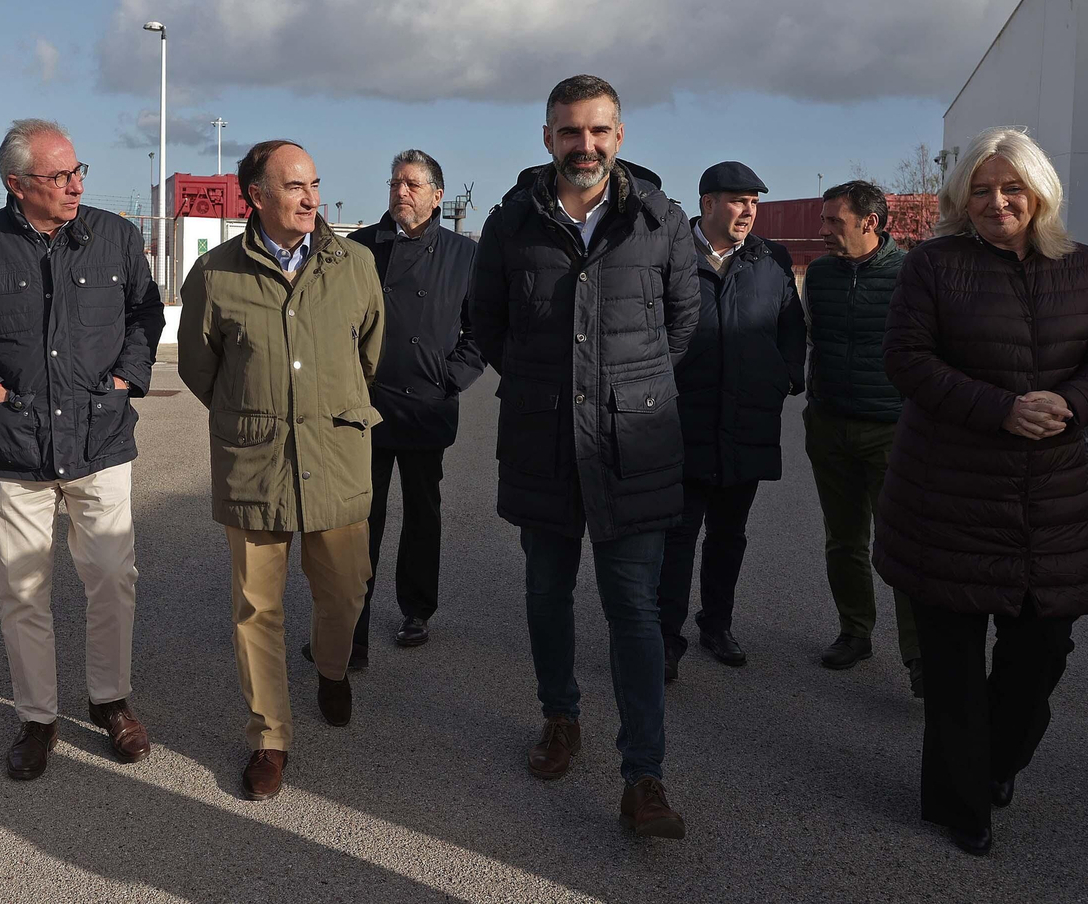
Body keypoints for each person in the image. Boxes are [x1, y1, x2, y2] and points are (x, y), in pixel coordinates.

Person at [875, 127, 1088, 856]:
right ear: (963, 198)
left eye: (1011, 187)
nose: (996, 202)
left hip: (1046, 502)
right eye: (981, 189)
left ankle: (996, 762)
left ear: (1039, 191)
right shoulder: (933, 265)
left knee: (1041, 652)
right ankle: (965, 805)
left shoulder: (1083, 268)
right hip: (947, 496)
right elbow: (906, 359)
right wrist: (1001, 409)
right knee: (953, 666)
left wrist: (1073, 403)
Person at [470, 75, 698, 840]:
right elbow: (489, 322)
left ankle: (645, 774)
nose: (586, 146)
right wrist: (546, 385)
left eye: (599, 131)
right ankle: (560, 717)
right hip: (542, 438)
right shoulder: (512, 221)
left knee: (634, 606)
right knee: (546, 588)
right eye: (571, 132)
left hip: (633, 443)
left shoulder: (659, 219)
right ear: (548, 138)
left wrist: (626, 390)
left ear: (620, 136)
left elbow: (682, 321)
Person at [0, 119, 164, 780]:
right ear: (16, 184)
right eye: (59, 176)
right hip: (16, 441)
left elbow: (146, 314)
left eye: (78, 171)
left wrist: (123, 380)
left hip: (101, 436)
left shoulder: (114, 236)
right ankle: (38, 717)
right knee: (22, 589)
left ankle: (111, 700)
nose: (75, 184)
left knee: (113, 576)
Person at [178, 140, 385, 801]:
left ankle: (331, 668)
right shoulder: (215, 274)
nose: (310, 198)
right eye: (294, 186)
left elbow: (369, 352)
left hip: (335, 460)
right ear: (256, 196)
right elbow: (199, 366)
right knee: (256, 608)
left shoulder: (356, 265)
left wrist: (328, 409)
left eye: (315, 184)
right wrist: (257, 413)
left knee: (347, 590)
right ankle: (269, 736)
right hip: (256, 465)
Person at [329, 148, 485, 662]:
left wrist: (450, 378)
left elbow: (482, 329)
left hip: (426, 406)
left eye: (413, 184)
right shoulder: (359, 248)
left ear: (437, 196)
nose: (401, 192)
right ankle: (353, 621)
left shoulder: (464, 254)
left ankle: (417, 610)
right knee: (361, 518)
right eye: (396, 182)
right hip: (365, 405)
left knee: (422, 513)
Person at [658, 161, 804, 680]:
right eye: (738, 201)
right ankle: (665, 639)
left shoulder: (772, 259)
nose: (748, 212)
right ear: (707, 203)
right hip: (684, 420)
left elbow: (792, 327)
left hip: (746, 422)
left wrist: (786, 375)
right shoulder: (673, 256)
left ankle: (716, 624)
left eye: (754, 203)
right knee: (677, 537)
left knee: (729, 535)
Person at [802, 180, 921, 692]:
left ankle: (921, 660)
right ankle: (854, 632)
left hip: (892, 431)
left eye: (834, 221)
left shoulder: (911, 274)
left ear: (869, 223)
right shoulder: (822, 275)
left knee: (904, 546)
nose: (823, 230)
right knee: (844, 540)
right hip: (829, 424)